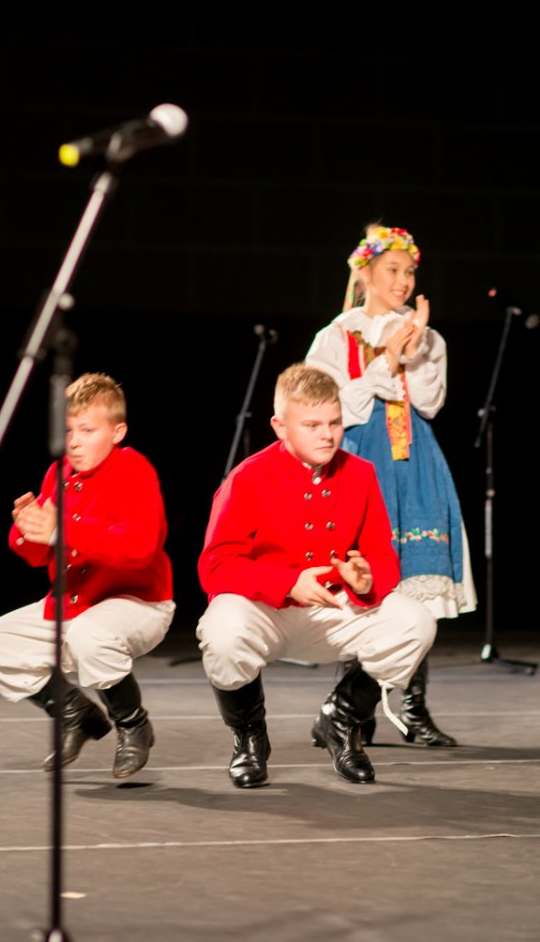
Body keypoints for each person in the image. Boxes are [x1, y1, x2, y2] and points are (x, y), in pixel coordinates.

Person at [196, 363, 436, 789]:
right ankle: (250, 737)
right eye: (311, 425)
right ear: (280, 426)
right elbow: (215, 565)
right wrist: (285, 582)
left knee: (415, 622)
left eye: (334, 423)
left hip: (333, 609)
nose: (327, 434)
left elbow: (382, 555)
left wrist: (366, 580)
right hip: (266, 611)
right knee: (221, 630)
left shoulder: (360, 474)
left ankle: (340, 720)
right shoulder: (248, 477)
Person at [305, 223, 477, 747]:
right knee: (365, 585)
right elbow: (333, 406)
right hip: (360, 463)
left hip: (415, 464)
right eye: (393, 271)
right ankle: (351, 711)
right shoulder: (337, 335)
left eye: (409, 272)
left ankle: (414, 708)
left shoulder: (428, 337)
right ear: (366, 274)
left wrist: (415, 349)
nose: (403, 281)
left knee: (418, 589)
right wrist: (388, 359)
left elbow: (428, 403)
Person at [0, 372, 175, 778]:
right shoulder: (58, 473)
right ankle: (77, 715)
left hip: (138, 604)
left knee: (89, 636)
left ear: (117, 432)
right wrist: (28, 528)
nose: (74, 440)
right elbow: (33, 551)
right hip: (78, 603)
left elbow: (138, 548)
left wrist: (60, 531)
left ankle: (133, 724)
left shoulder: (134, 469)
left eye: (87, 429)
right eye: (68, 429)